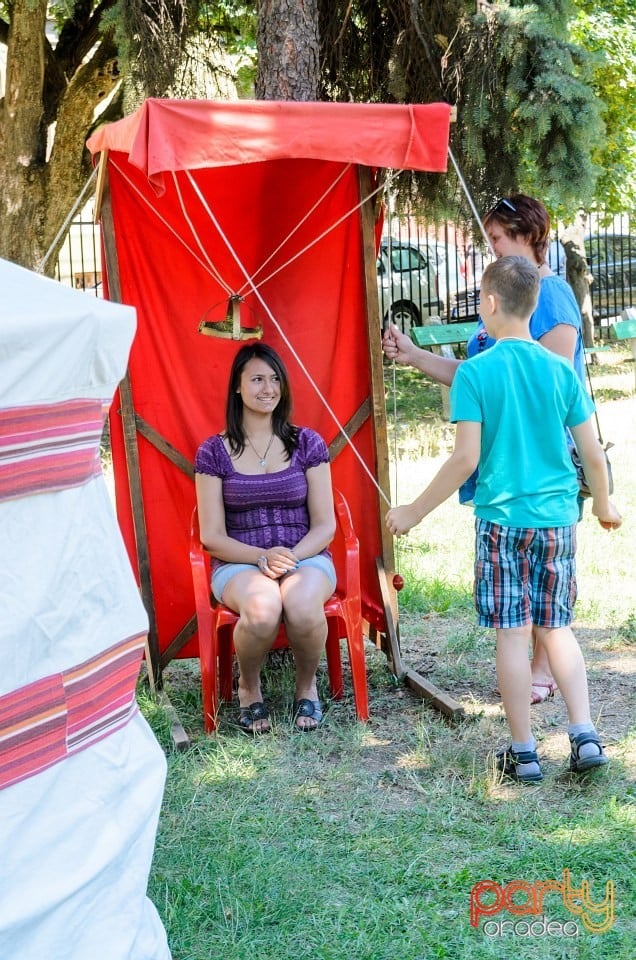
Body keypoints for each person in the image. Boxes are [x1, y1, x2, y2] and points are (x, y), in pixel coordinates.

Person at [385, 256, 621, 782]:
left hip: (501, 523)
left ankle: (524, 751)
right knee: (557, 629)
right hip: (557, 520)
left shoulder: (475, 373)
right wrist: (603, 505)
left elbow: (465, 459)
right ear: (535, 305)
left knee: (513, 635)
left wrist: (413, 512)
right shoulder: (561, 370)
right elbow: (593, 454)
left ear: (489, 305)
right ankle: (584, 735)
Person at [383, 194, 584, 705]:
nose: (490, 247)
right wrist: (413, 355)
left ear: (526, 236)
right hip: (502, 467)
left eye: (496, 238)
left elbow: (548, 387)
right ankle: (540, 675)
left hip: (535, 466)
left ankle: (540, 669)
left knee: (537, 599)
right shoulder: (504, 307)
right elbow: (477, 375)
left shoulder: (551, 293)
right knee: (526, 591)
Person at [194, 342, 337, 733]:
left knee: (304, 606)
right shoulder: (213, 452)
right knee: (262, 609)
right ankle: (248, 688)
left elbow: (325, 525)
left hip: (304, 555)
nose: (268, 388)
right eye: (257, 379)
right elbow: (211, 535)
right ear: (237, 387)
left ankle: (306, 688)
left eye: (275, 379)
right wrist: (261, 556)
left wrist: (287, 557)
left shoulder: (308, 443)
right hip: (239, 560)